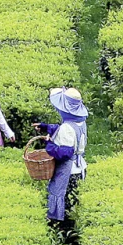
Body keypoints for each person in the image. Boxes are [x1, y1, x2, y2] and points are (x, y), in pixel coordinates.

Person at [38, 86, 87, 225]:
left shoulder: (67, 127)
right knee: (73, 202)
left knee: (64, 203)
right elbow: (64, 131)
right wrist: (46, 127)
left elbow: (64, 152)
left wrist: (49, 144)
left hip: (68, 171)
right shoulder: (80, 122)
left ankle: (62, 230)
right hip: (79, 168)